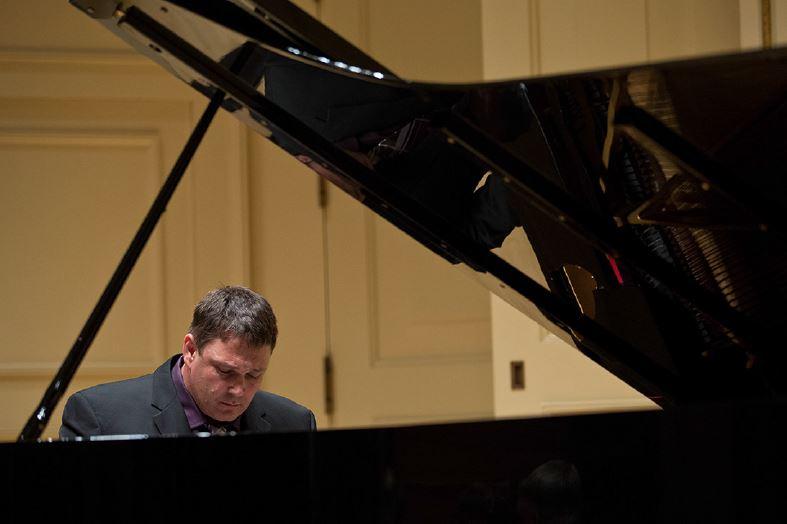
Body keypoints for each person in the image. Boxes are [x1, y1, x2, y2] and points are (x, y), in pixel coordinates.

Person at [59, 286, 315, 438]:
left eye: (254, 375)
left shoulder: (295, 423)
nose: (239, 390)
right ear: (190, 350)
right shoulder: (101, 418)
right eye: (225, 371)